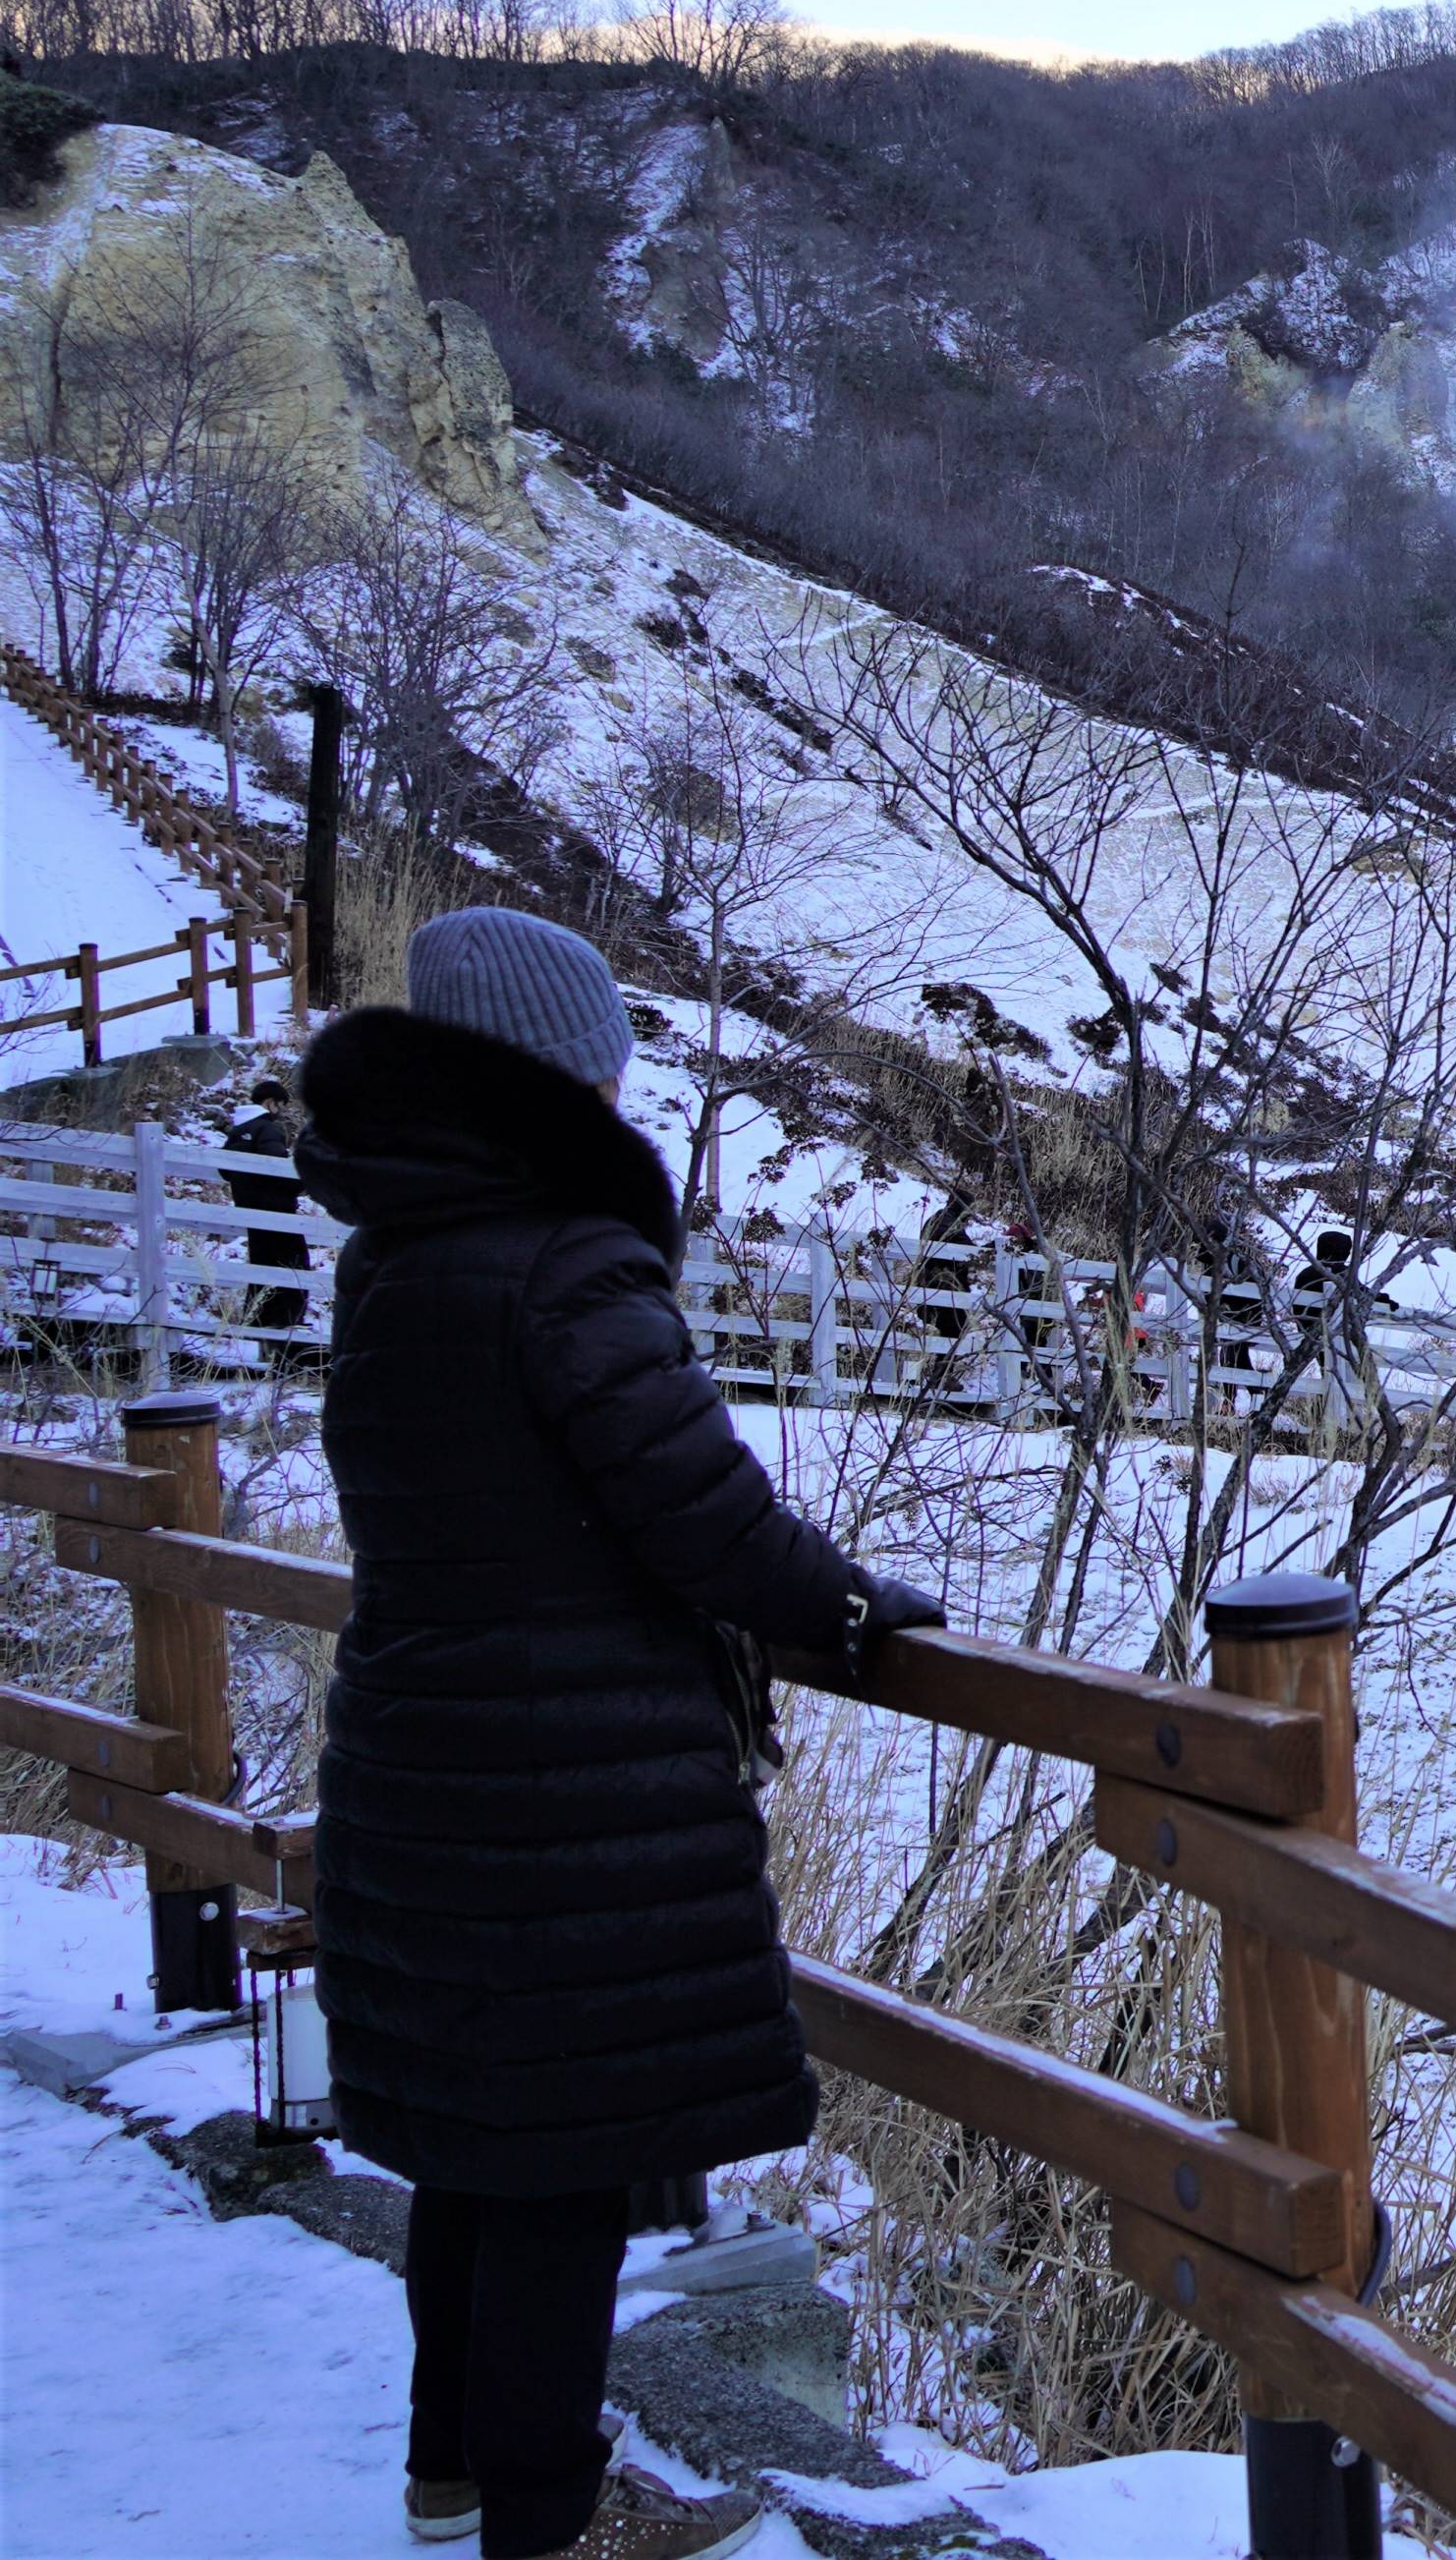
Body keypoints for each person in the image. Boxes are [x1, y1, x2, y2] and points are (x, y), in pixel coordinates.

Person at [299, 908, 940, 2560]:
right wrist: (850, 1605)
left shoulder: (397, 1254)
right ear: (546, 1067)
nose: (617, 1080)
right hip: (558, 1799)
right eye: (600, 1056)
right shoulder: (563, 1259)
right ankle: (549, 2518)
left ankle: (455, 2477)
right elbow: (703, 1511)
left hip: (425, 1761)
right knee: (561, 2178)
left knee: (472, 2147)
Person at [223, 1070, 315, 1340]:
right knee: (294, 1261)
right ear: (271, 1102)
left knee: (261, 1262)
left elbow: (225, 1170)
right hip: (276, 1208)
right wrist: (301, 1185)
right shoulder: (268, 1128)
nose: (280, 1112)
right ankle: (288, 1318)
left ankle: (257, 1317)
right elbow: (276, 1168)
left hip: (250, 1208)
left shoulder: (238, 1130)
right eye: (280, 1106)